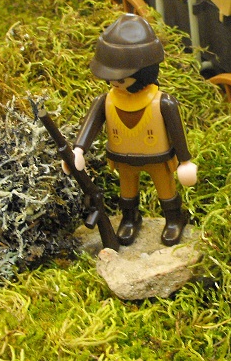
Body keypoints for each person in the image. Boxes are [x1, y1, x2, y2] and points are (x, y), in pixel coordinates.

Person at [72, 14, 198, 246]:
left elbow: (177, 133)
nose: (114, 83)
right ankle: (130, 218)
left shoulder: (163, 103)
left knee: (166, 189)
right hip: (124, 159)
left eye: (121, 79)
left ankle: (173, 219)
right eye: (111, 78)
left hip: (158, 158)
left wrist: (185, 161)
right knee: (127, 191)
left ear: (142, 73)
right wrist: (78, 150)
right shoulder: (106, 101)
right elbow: (91, 125)